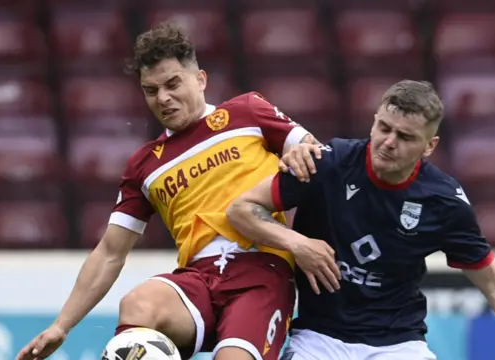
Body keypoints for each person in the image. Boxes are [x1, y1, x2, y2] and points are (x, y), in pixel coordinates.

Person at [16, 23, 321, 360]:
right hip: (199, 280)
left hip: (262, 273)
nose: (163, 98)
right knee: (138, 304)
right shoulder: (144, 165)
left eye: (173, 84)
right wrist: (61, 326)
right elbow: (110, 252)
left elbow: (314, 151)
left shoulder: (246, 112)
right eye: (151, 90)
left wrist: (302, 151)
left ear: (201, 79)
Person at [227, 80, 495, 360]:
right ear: (373, 121)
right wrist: (297, 244)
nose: (388, 143)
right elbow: (241, 209)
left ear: (430, 145)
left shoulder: (444, 201)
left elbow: (494, 283)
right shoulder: (329, 164)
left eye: (405, 137)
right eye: (383, 128)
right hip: (319, 337)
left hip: (398, 345)